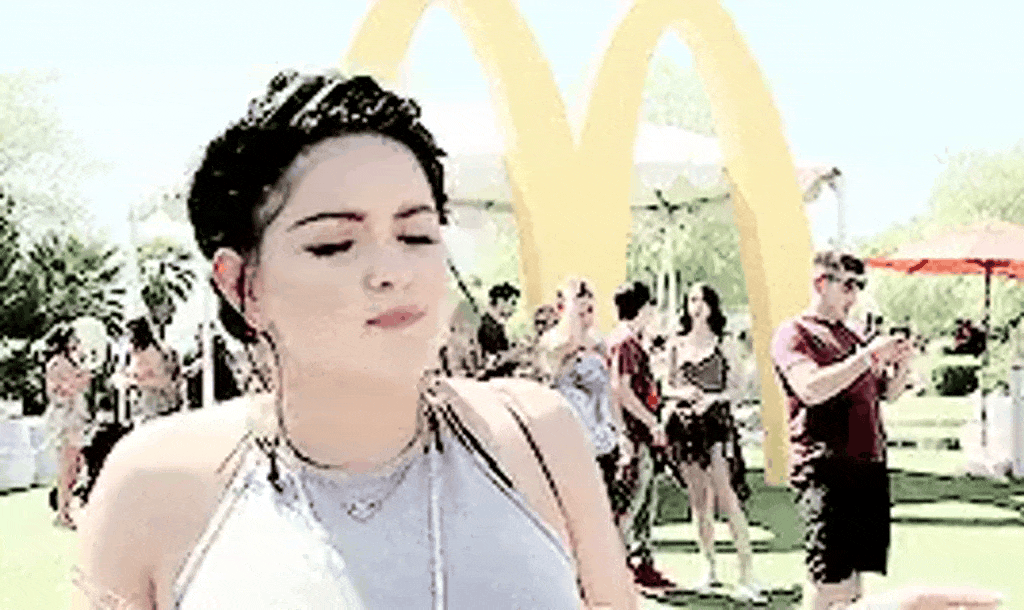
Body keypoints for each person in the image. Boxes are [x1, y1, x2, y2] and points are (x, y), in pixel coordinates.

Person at [74, 71, 633, 610]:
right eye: (334, 244)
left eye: (416, 235)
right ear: (242, 284)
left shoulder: (537, 436)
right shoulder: (152, 485)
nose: (392, 272)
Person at [770, 251, 914, 610]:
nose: (855, 295)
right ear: (822, 283)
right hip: (825, 468)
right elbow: (809, 388)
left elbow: (887, 394)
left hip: (867, 467)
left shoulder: (853, 336)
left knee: (854, 584)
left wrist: (903, 364)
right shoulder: (794, 332)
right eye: (848, 286)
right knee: (828, 582)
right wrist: (867, 357)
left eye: (859, 286)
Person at [661, 283, 764, 600]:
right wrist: (684, 394)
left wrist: (712, 398)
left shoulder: (724, 342)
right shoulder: (676, 344)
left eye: (703, 300)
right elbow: (666, 386)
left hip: (716, 424)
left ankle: (747, 573)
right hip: (685, 425)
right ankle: (709, 568)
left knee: (726, 495)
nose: (697, 305)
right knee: (698, 501)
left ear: (712, 305)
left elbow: (738, 389)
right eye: (692, 299)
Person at [606, 280, 676, 590]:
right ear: (644, 308)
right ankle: (619, 568)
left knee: (642, 501)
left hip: (637, 434)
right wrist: (651, 423)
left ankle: (640, 563)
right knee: (633, 502)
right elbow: (621, 390)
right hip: (636, 435)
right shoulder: (625, 344)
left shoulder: (624, 341)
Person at [539, 278, 619, 498]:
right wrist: (571, 304)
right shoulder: (551, 342)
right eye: (579, 312)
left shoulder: (599, 343)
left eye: (590, 310)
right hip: (570, 441)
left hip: (602, 439)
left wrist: (618, 431)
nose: (585, 317)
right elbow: (567, 348)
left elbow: (609, 391)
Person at [42, 323, 95, 530]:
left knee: (75, 466)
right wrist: (81, 380)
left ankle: (67, 508)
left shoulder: (72, 361)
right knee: (67, 467)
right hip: (65, 419)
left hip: (75, 418)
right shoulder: (57, 363)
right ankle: (63, 513)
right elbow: (61, 390)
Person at [112, 317, 182, 426]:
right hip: (149, 400)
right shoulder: (140, 351)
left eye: (131, 334)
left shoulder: (152, 352)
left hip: (158, 402)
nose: (129, 338)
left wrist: (134, 382)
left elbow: (161, 379)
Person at [477, 282, 522, 379]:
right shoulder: (486, 326)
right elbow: (491, 361)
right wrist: (516, 351)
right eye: (513, 303)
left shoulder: (497, 326)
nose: (514, 309)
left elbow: (502, 352)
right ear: (500, 301)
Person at [439, 299, 483, 379]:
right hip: (460, 344)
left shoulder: (468, 321)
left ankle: (470, 368)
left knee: (468, 350)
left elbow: (452, 328)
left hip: (462, 344)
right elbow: (451, 328)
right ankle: (469, 368)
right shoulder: (464, 320)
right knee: (466, 351)